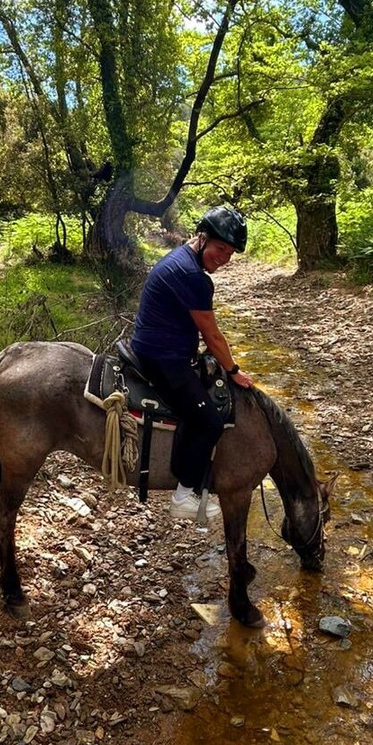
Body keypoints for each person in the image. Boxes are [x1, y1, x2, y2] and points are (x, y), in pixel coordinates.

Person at [131, 206, 256, 520]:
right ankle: (184, 496)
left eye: (230, 253)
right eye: (220, 249)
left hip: (156, 346)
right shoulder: (192, 276)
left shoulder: (180, 259)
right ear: (203, 238)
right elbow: (212, 336)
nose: (224, 258)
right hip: (163, 357)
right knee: (209, 422)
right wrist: (234, 371)